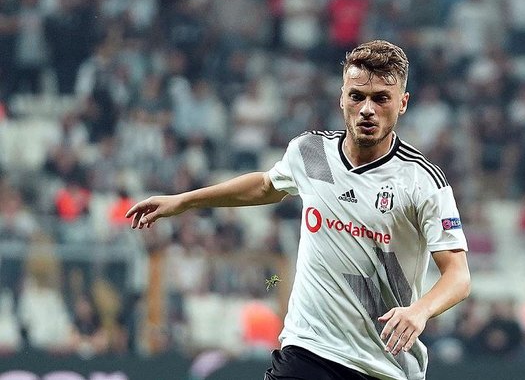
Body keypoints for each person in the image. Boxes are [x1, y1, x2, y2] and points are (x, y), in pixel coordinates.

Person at [126, 40, 471, 380]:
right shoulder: (312, 153)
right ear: (342, 98)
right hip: (308, 350)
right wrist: (183, 201)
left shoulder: (421, 181)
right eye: (357, 96)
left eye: (381, 98)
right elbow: (265, 186)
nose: (367, 109)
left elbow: (458, 275)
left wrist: (419, 311)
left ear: (403, 103)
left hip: (383, 366)